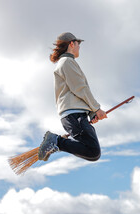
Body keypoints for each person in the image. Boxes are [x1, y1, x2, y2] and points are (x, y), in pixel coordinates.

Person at [38, 32, 107, 162]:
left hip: (74, 115)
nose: (79, 47)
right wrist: (96, 108)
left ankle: (57, 142)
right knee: (93, 151)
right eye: (78, 44)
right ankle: (56, 141)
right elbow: (80, 88)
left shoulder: (66, 63)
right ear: (71, 44)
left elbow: (76, 90)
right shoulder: (67, 62)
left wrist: (92, 114)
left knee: (93, 152)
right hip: (74, 115)